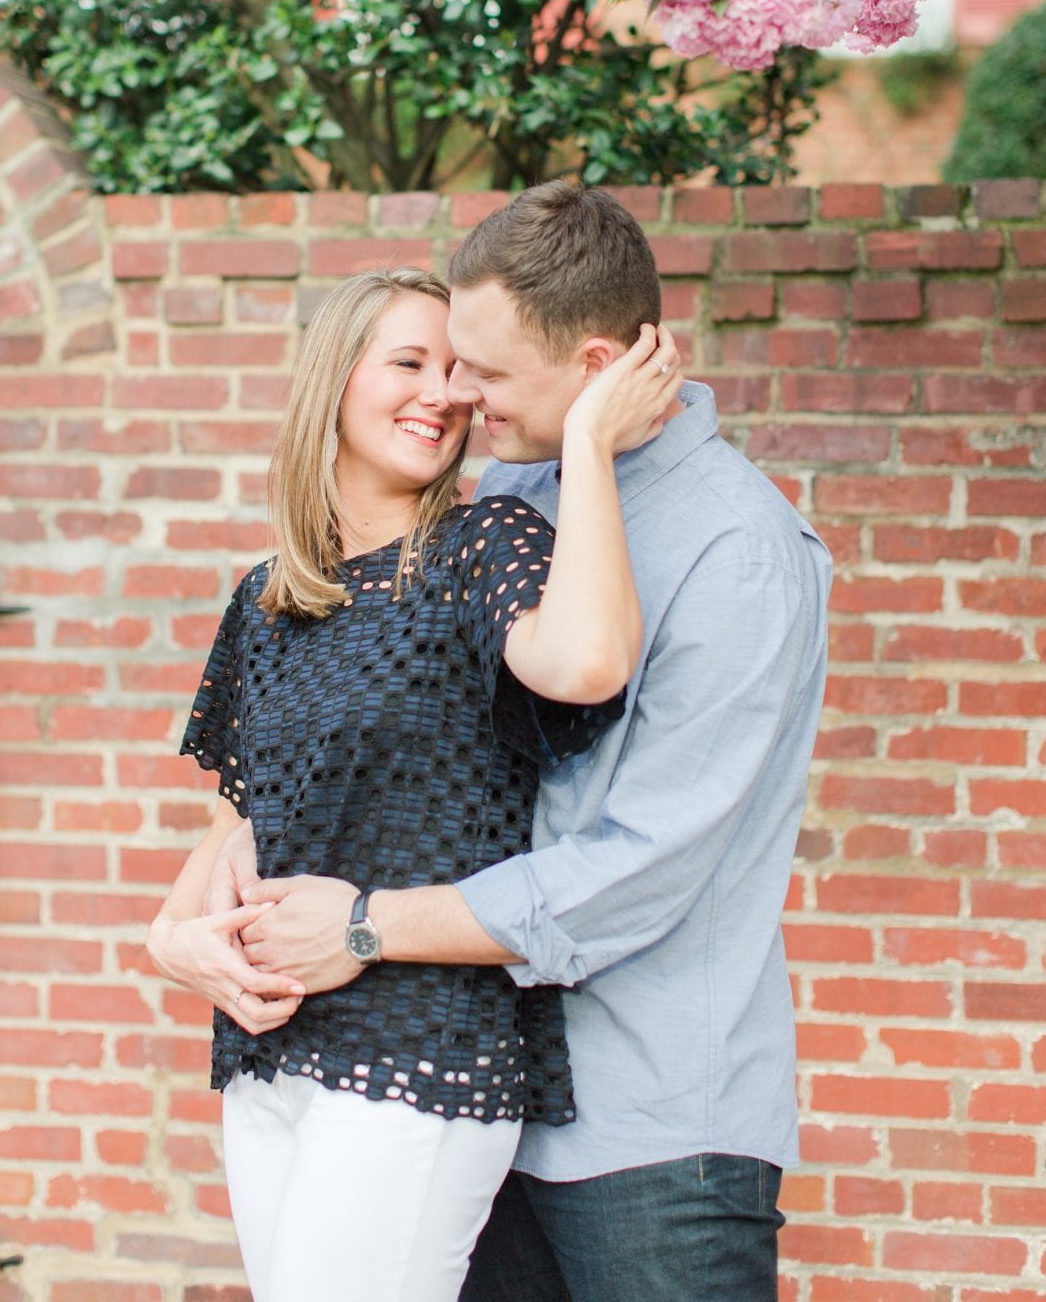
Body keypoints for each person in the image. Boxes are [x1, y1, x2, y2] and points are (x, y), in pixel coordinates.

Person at [203, 182, 833, 1302]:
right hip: (479, 1081)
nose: (457, 396)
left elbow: (643, 867)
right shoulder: (514, 494)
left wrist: (363, 925)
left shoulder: (737, 551)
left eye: (483, 373)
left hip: (648, 1134)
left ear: (595, 370)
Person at [147, 264, 682, 1302]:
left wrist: (586, 446)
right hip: (273, 1057)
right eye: (409, 363)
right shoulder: (265, 600)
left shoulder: (486, 547)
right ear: (334, 382)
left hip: (422, 1053)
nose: (442, 393)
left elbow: (583, 665)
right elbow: (234, 830)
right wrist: (176, 945)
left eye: (457, 372)